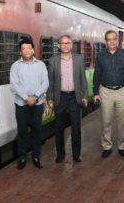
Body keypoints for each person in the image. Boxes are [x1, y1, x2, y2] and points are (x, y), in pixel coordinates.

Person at [93, 30, 124, 158]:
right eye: (109, 39)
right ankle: (107, 146)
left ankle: (122, 146)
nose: (111, 41)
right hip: (105, 90)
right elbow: (97, 75)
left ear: (118, 40)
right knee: (106, 120)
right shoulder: (100, 55)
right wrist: (96, 93)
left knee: (122, 121)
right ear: (106, 41)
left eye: (114, 39)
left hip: (122, 90)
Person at [47, 35, 88, 163]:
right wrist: (50, 98)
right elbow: (51, 82)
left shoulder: (79, 59)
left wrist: (85, 96)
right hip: (60, 97)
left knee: (76, 128)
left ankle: (76, 155)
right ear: (58, 46)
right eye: (62, 43)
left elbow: (83, 79)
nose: (65, 45)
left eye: (68, 43)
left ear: (71, 45)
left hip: (75, 97)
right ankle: (60, 154)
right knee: (59, 127)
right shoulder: (53, 60)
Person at [10, 38, 49, 170]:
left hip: (37, 104)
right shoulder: (15, 66)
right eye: (23, 49)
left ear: (33, 50)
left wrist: (36, 96)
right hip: (21, 104)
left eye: (29, 48)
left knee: (37, 131)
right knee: (22, 132)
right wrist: (27, 98)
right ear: (20, 52)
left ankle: (36, 156)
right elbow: (14, 85)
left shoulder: (41, 65)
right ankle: (22, 157)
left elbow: (45, 83)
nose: (26, 51)